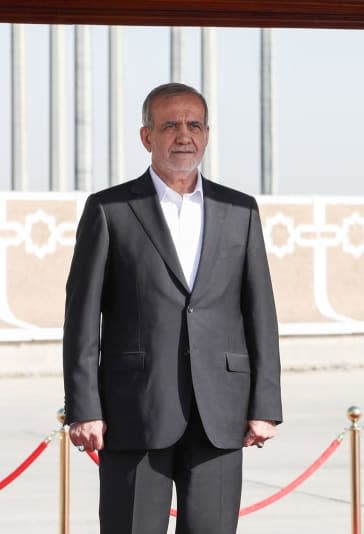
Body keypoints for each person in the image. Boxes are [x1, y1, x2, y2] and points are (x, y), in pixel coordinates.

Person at [62, 82, 282, 534]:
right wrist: (84, 407)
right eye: (170, 125)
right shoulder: (110, 210)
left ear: (206, 133)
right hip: (134, 412)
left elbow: (260, 312)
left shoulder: (239, 210)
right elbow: (82, 318)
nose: (184, 135)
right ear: (147, 137)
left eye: (194, 124)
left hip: (221, 416)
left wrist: (265, 404)